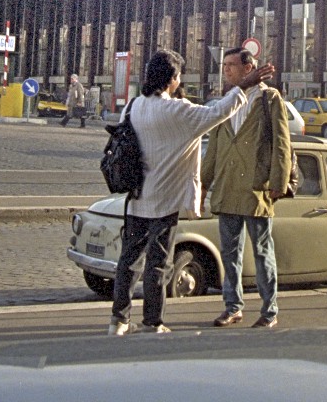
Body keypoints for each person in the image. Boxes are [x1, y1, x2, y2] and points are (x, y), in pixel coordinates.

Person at [112, 48, 273, 336]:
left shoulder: (133, 106)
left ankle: (119, 320)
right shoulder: (178, 110)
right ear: (172, 79)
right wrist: (244, 85)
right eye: (178, 76)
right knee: (158, 264)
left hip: (136, 196)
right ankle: (153, 322)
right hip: (165, 200)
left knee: (129, 261)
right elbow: (219, 112)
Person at [201, 47, 292, 330]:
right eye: (224, 65)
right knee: (229, 252)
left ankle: (269, 309)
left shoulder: (269, 98)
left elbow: (282, 142)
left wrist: (279, 181)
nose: (226, 70)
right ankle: (233, 306)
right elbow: (214, 145)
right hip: (228, 186)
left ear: (248, 68)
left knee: (262, 250)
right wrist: (203, 183)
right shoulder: (226, 101)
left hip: (256, 187)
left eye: (231, 65)